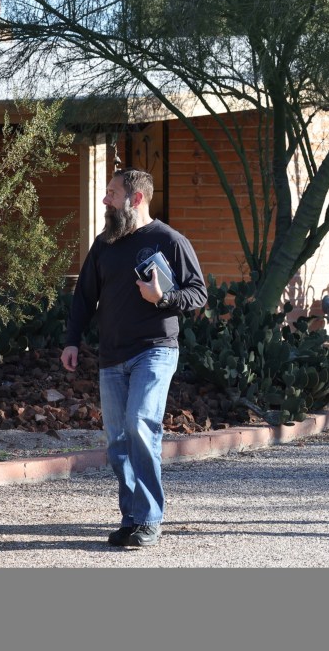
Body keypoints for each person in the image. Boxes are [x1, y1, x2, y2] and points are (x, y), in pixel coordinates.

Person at [61, 168, 207, 548]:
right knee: (118, 440)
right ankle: (132, 518)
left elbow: (198, 293)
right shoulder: (104, 244)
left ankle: (149, 519)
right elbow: (83, 298)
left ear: (136, 198)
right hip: (111, 357)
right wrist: (72, 341)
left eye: (111, 193)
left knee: (140, 422)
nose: (105, 200)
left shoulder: (169, 240)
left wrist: (163, 298)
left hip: (155, 350)